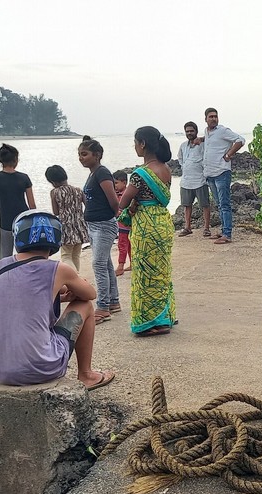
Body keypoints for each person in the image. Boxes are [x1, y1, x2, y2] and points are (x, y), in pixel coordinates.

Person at [0, 210, 115, 390]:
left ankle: (5, 360)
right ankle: (86, 374)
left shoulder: (2, 266)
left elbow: (17, 299)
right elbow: (90, 294)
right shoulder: (58, 269)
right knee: (85, 305)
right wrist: (73, 286)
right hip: (39, 368)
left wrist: (58, 297)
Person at [117, 126, 176, 336]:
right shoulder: (166, 169)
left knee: (144, 273)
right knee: (161, 271)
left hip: (146, 226)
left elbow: (123, 201)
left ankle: (147, 323)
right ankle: (163, 319)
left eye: (135, 142)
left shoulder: (140, 174)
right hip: (163, 224)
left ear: (142, 144)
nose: (134, 147)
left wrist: (132, 204)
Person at [78, 135, 121, 324]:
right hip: (94, 225)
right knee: (106, 264)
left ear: (97, 155)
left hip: (104, 224)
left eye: (84, 154)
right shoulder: (92, 174)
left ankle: (102, 307)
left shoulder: (102, 173)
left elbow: (113, 200)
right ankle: (113, 301)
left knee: (98, 264)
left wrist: (113, 216)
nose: (81, 158)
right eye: (79, 154)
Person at [202, 108, 244, 244]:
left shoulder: (223, 130)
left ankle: (227, 234)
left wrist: (229, 154)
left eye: (215, 116)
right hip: (210, 174)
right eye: (211, 117)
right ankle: (223, 230)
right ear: (206, 119)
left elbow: (240, 140)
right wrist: (200, 139)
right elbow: (211, 141)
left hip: (222, 173)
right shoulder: (206, 132)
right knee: (219, 204)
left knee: (224, 204)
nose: (214, 118)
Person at [0, 143, 36, 258]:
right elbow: (32, 205)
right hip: (24, 222)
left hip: (6, 223)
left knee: (5, 257)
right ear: (15, 160)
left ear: (0, 160)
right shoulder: (24, 178)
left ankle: (5, 275)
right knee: (26, 254)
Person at [47, 165, 90, 272]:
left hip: (66, 227)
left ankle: (73, 277)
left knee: (66, 255)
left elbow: (55, 212)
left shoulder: (55, 192)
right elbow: (87, 206)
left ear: (53, 181)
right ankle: (77, 278)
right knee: (76, 255)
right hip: (80, 225)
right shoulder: (78, 190)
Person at [177, 121, 211, 237]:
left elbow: (211, 138)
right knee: (187, 205)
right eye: (187, 131)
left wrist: (201, 139)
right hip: (186, 181)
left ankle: (206, 228)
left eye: (192, 131)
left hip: (200, 180)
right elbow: (180, 159)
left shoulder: (203, 144)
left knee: (205, 205)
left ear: (196, 131)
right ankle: (187, 227)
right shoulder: (182, 146)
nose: (189, 133)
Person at [113, 169, 132, 275]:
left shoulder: (125, 194)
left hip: (124, 224)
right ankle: (132, 263)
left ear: (124, 182)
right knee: (128, 244)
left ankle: (121, 266)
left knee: (122, 244)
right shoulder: (119, 193)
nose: (114, 185)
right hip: (125, 224)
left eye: (116, 183)